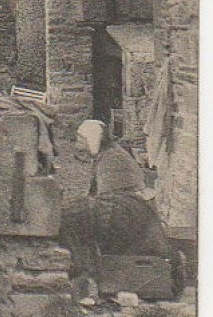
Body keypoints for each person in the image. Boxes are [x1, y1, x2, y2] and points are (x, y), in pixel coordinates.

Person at [60, 119, 175, 283]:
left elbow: (111, 201)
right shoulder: (107, 155)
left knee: (74, 217)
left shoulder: (113, 158)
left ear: (91, 140)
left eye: (81, 139)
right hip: (126, 208)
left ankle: (84, 272)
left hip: (130, 211)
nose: (77, 142)